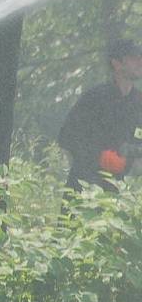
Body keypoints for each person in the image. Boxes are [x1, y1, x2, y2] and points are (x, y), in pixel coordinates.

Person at [58, 38, 142, 192]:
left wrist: (129, 161)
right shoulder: (95, 98)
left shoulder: (138, 103)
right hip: (83, 188)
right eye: (133, 58)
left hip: (119, 192)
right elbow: (67, 137)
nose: (140, 62)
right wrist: (99, 157)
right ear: (117, 64)